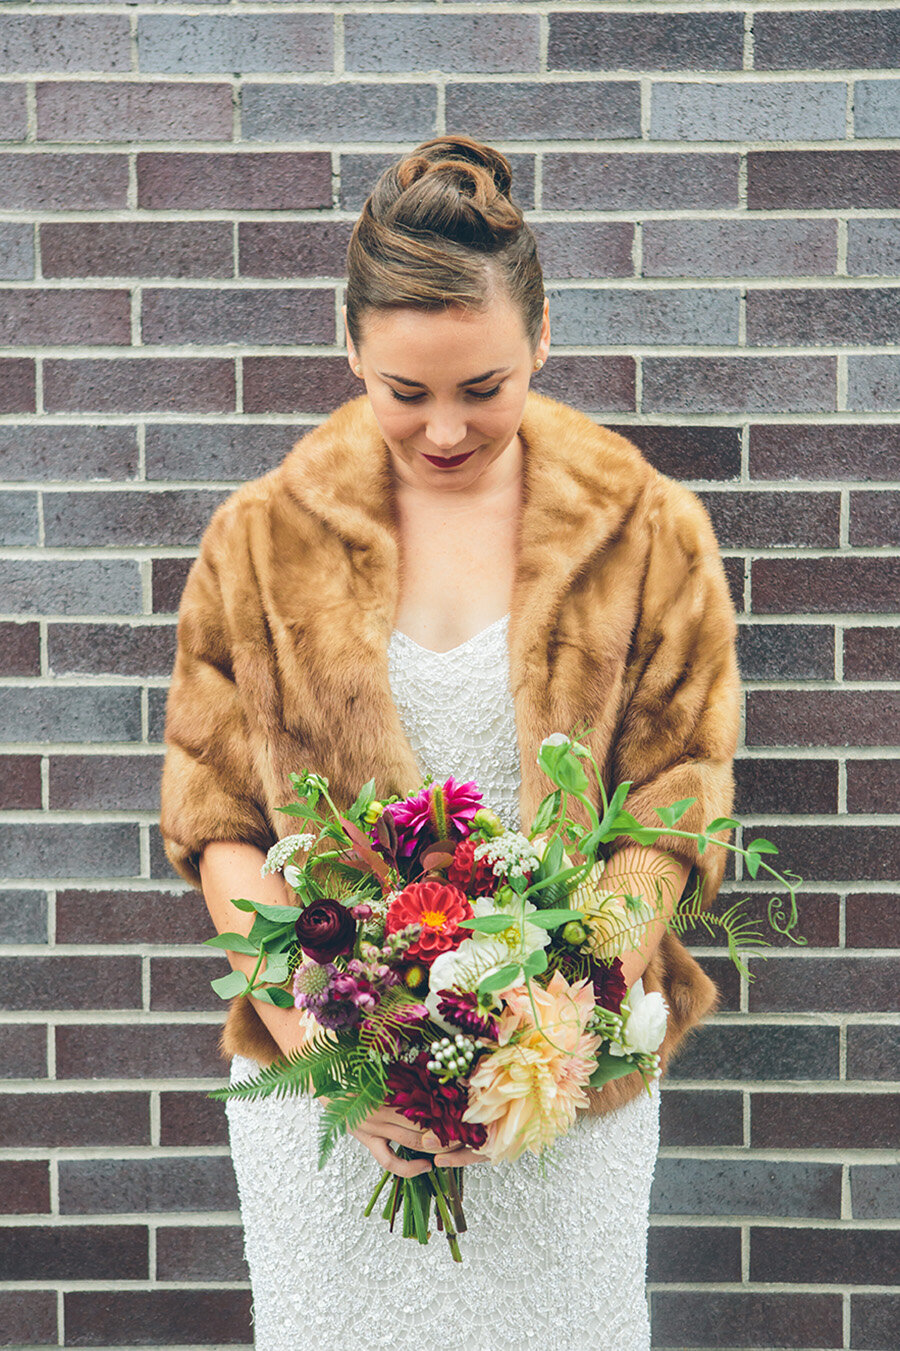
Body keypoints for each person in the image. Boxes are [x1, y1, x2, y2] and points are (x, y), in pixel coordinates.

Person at [159, 135, 740, 1351]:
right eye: (403, 391)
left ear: (540, 340)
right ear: (350, 349)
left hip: (558, 1105)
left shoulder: (645, 533)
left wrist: (553, 1015)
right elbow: (218, 829)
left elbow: (679, 799)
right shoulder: (258, 542)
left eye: (482, 389)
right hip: (327, 1109)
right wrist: (340, 1064)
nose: (441, 430)